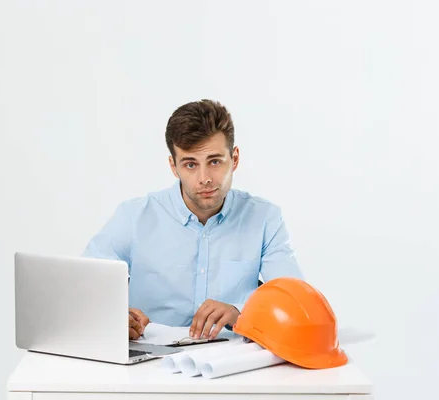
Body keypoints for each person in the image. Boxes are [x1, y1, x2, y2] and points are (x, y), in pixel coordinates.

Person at [82, 99, 304, 340]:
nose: (204, 178)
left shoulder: (264, 219)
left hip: (230, 359)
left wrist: (240, 313)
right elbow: (84, 285)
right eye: (190, 164)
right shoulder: (134, 217)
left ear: (235, 159)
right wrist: (117, 316)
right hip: (149, 359)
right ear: (173, 166)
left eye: (215, 162)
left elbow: (294, 304)